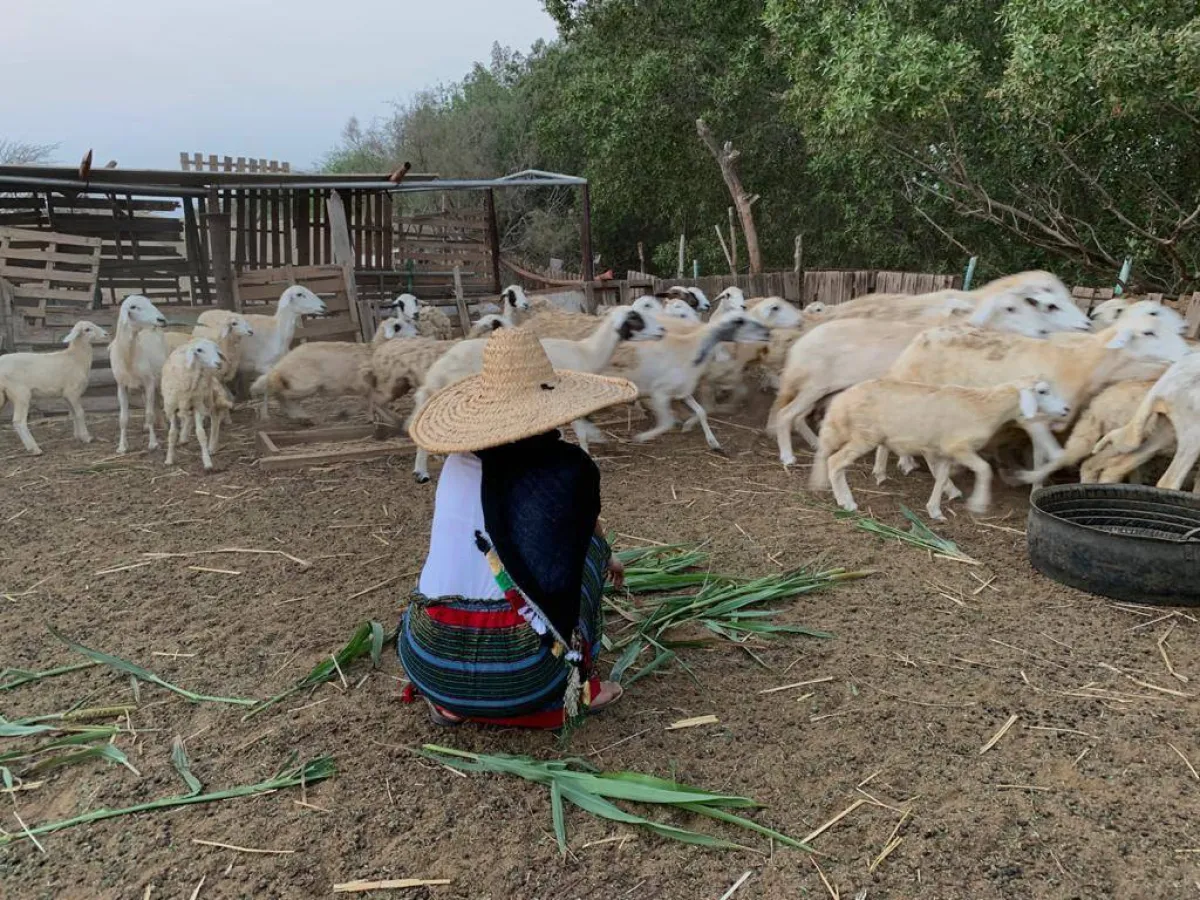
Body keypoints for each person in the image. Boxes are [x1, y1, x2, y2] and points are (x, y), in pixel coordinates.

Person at [399, 326, 638, 729]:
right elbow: (578, 536)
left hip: (430, 659)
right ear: (551, 404)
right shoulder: (567, 469)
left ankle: (451, 705)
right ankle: (584, 685)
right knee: (593, 551)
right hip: (523, 669)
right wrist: (607, 552)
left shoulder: (456, 463)